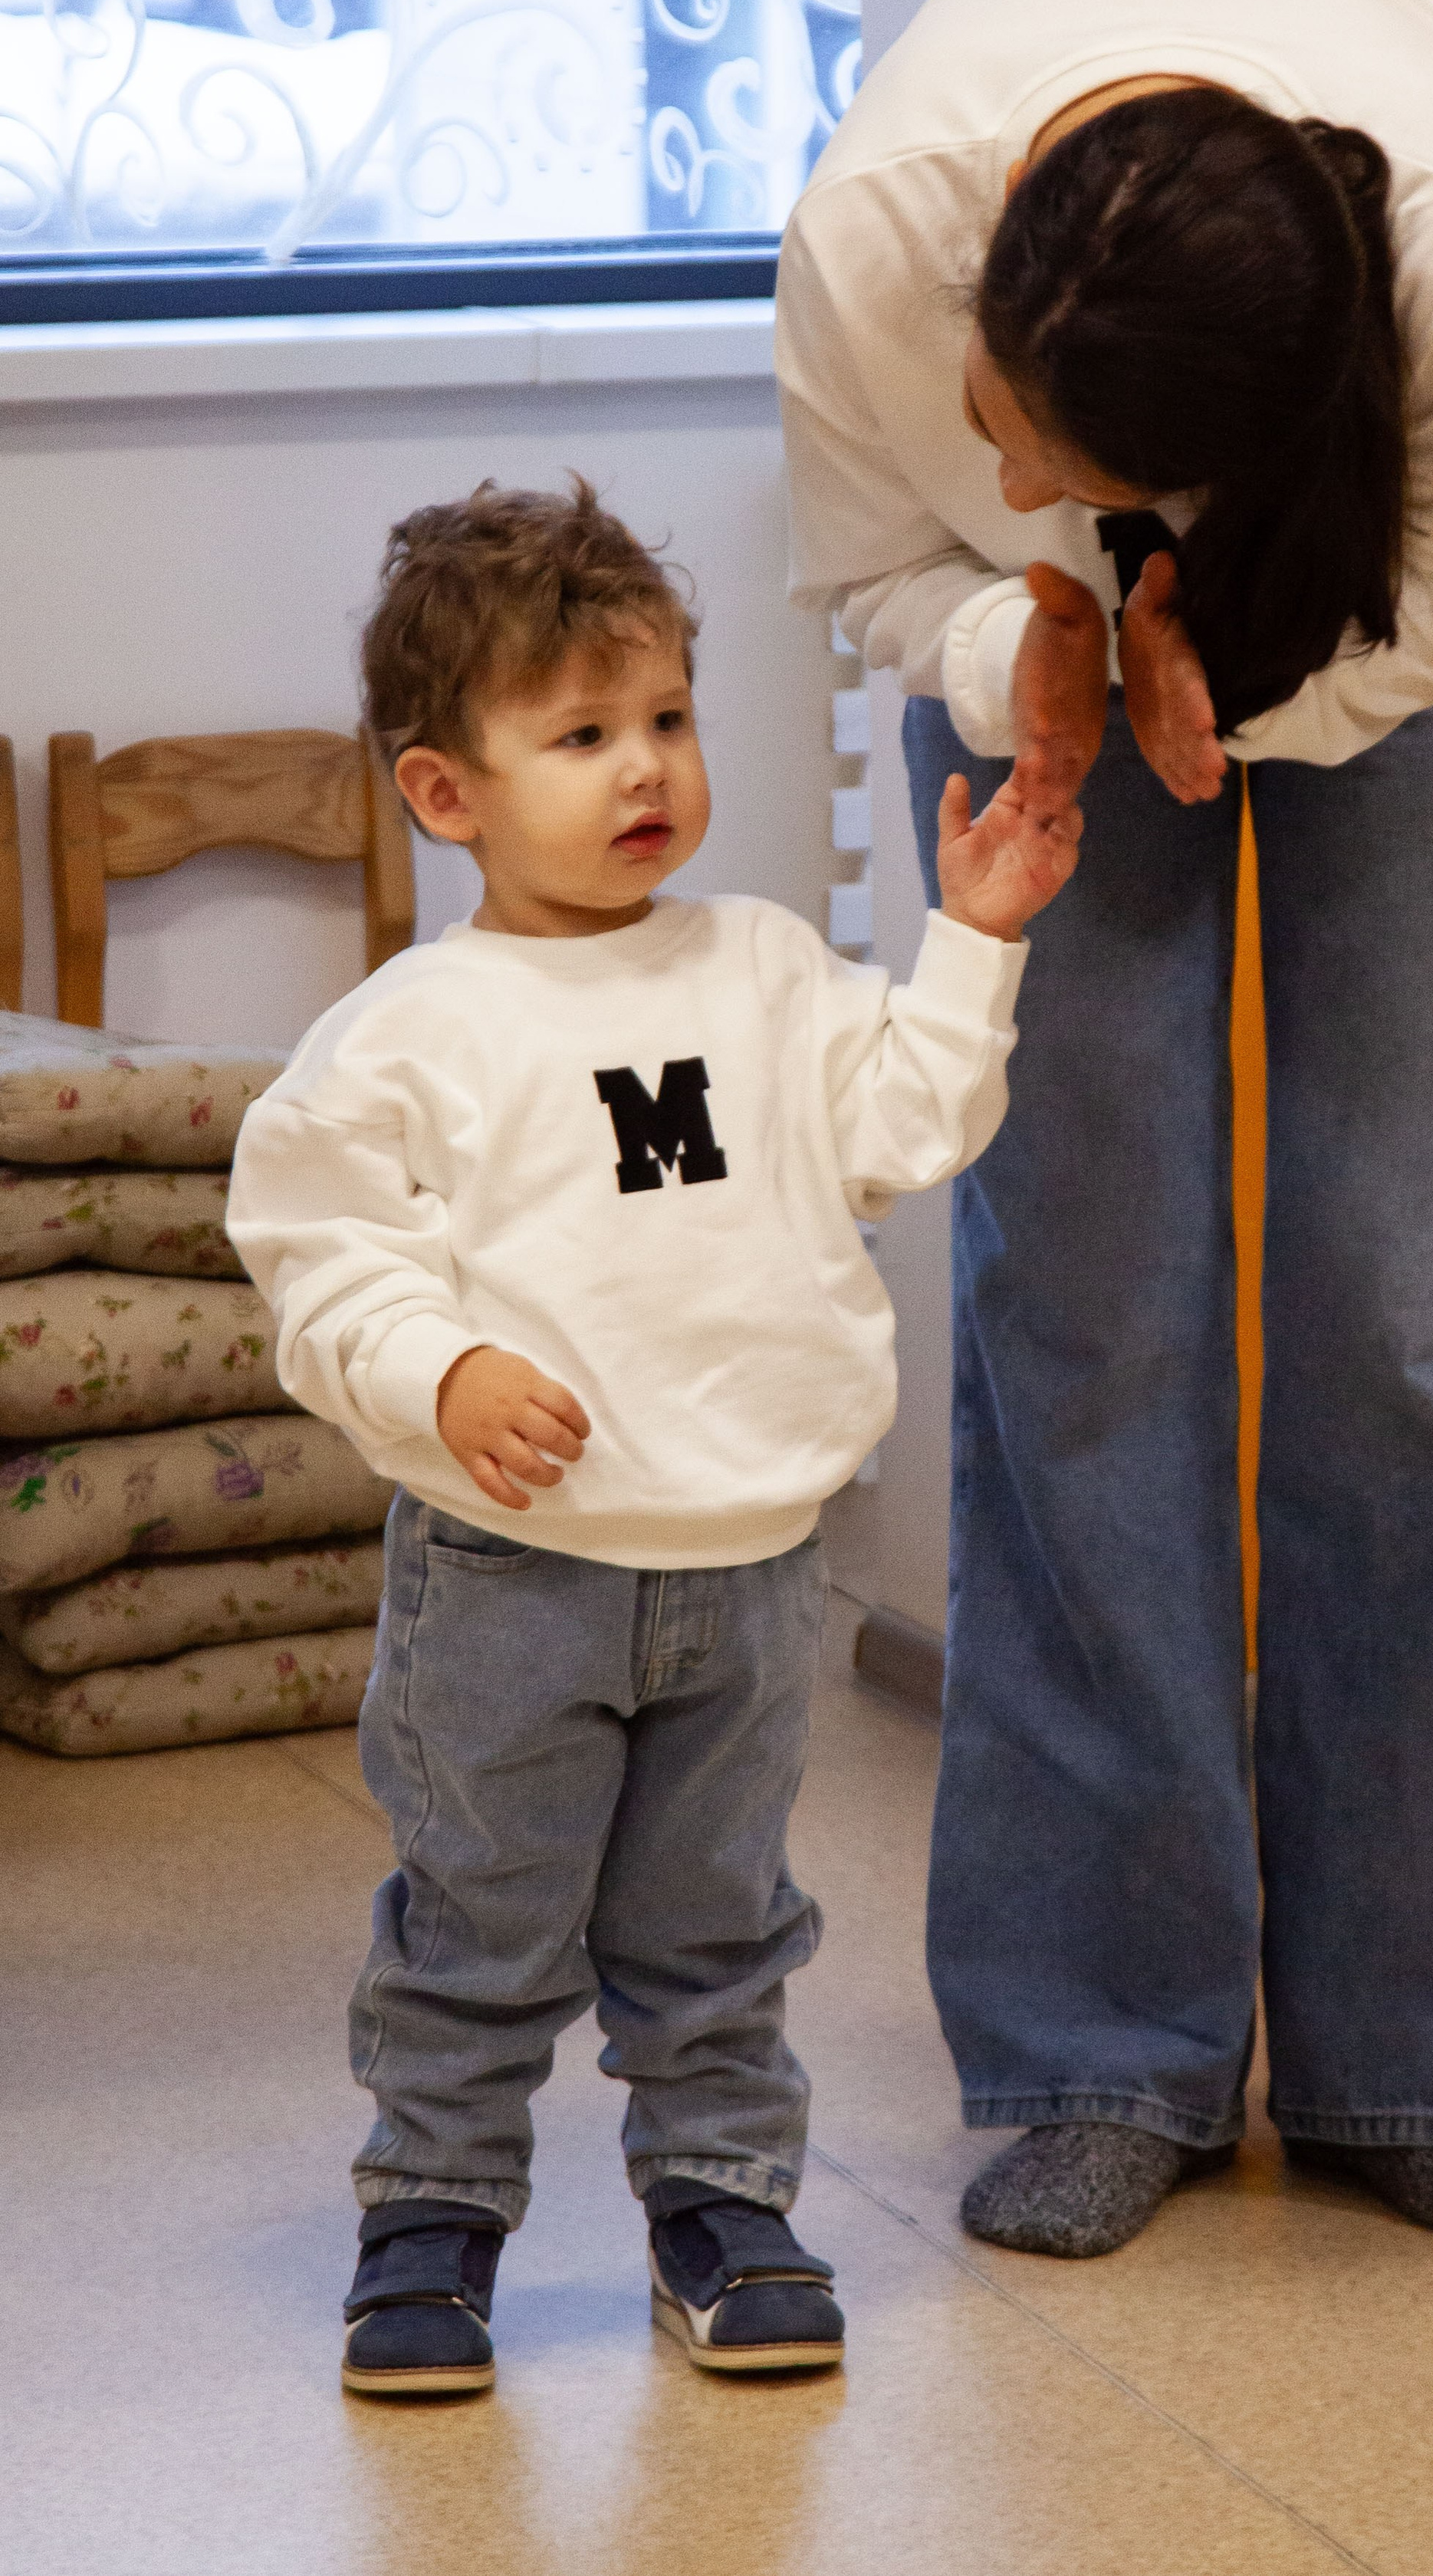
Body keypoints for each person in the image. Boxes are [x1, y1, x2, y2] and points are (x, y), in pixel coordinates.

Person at [776, 0, 1433, 2260]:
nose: (1016, 473)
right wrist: (1025, 622)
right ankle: (1096, 2041)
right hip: (1027, 652)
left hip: (1420, 630)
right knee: (1090, 1295)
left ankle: (1426, 2051)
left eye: (1069, 462)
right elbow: (874, 556)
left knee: (1410, 1306)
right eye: (1001, 420)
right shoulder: (881, 234)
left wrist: (1230, 687)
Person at [228, 478, 1080, 2395]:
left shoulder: (768, 969)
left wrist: (975, 943)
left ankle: (722, 2211)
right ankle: (430, 2226)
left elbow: (905, 1129)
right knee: (482, 1923)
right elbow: (318, 1261)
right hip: (512, 1580)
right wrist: (434, 1371)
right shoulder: (402, 1037)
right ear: (446, 794)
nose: (646, 771)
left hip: (753, 1574)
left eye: (669, 721)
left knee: (720, 1927)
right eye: (583, 735)